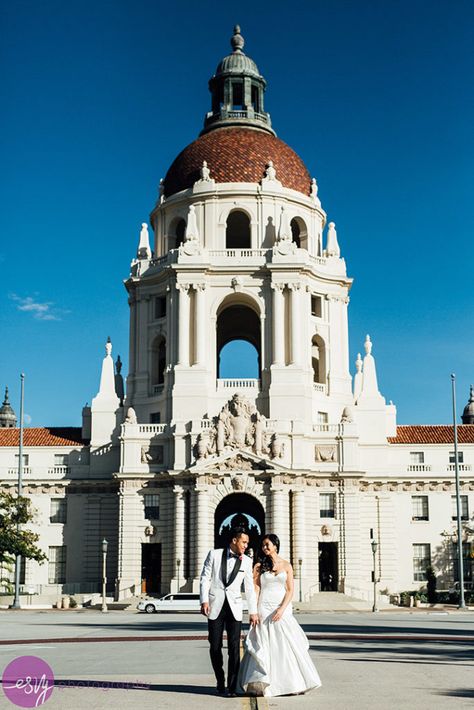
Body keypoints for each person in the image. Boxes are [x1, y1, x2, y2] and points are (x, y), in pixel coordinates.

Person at [238, 533, 322, 697]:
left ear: (276, 545)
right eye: (263, 545)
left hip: (280, 608)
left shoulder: (287, 565)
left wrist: (282, 609)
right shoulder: (258, 566)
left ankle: (291, 683)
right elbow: (256, 589)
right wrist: (253, 610)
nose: (265, 548)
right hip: (264, 608)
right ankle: (263, 682)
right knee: (265, 645)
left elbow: (290, 590)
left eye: (267, 544)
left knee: (286, 645)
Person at [200, 528, 258, 697]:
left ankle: (232, 686)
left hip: (235, 608)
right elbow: (205, 578)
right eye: (244, 542)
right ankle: (220, 679)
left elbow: (249, 588)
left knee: (234, 648)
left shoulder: (247, 561)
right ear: (234, 540)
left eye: (247, 543)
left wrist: (252, 612)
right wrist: (204, 600)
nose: (246, 546)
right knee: (215, 646)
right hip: (215, 606)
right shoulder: (214, 554)